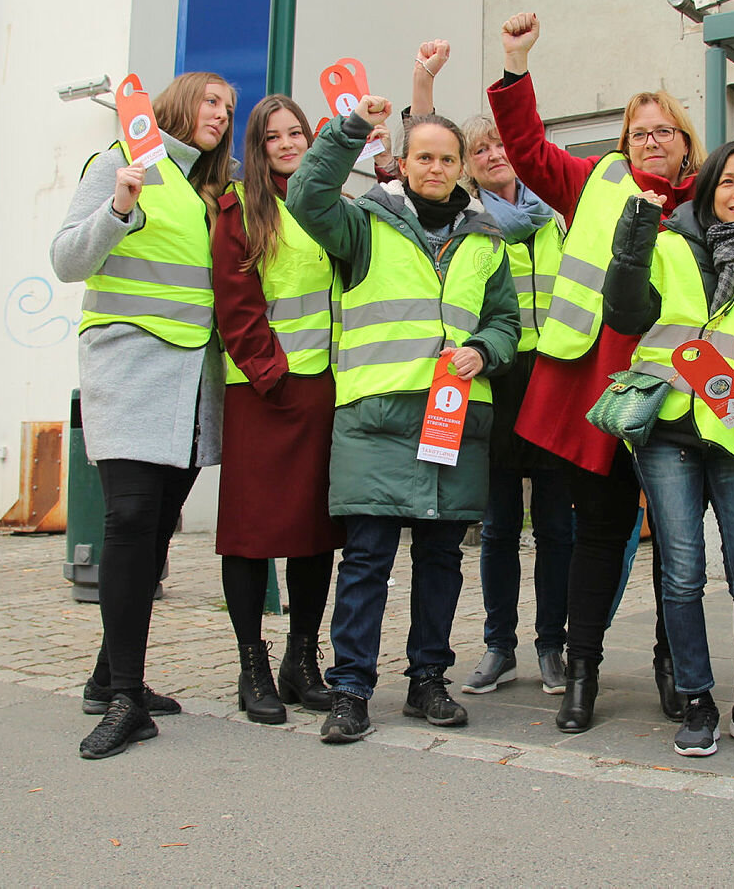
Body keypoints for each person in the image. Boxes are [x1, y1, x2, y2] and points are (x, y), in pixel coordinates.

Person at [488, 12, 699, 733]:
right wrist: (516, 67)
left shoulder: (709, 204)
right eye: (640, 131)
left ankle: (677, 668)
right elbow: (524, 150)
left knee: (678, 543)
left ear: (685, 143)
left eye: (663, 130)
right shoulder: (594, 182)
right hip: (596, 396)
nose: (650, 141)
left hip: (677, 402)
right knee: (600, 536)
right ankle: (583, 673)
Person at [286, 94, 520, 744]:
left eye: (449, 158)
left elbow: (506, 322)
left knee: (442, 559)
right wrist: (351, 128)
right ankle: (352, 690)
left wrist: (483, 350)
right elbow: (307, 195)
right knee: (367, 558)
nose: (437, 167)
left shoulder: (485, 237)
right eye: (425, 156)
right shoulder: (364, 223)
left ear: (462, 167)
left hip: (454, 420)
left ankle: (427, 682)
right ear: (405, 162)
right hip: (378, 417)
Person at [50, 71, 235, 759]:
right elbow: (68, 259)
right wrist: (119, 207)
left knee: (157, 526)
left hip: (192, 380)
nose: (219, 113)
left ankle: (108, 679)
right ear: (177, 105)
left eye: (228, 107)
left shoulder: (209, 191)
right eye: (210, 101)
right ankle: (127, 697)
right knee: (129, 519)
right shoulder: (116, 166)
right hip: (130, 368)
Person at [604, 141, 734, 757]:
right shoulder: (666, 244)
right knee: (682, 574)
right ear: (709, 190)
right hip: (668, 431)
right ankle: (695, 699)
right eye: (728, 183)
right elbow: (624, 315)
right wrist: (630, 249)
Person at [408, 38, 574, 697]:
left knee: (557, 525)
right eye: (480, 150)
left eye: (500, 143)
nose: (492, 154)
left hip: (558, 379)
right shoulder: (473, 222)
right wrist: (423, 81)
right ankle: (499, 646)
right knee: (501, 525)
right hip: (497, 381)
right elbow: (419, 141)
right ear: (469, 167)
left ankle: (553, 647)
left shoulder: (562, 209)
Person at [210, 94, 348, 724]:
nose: (289, 144)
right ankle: (252, 665)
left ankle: (301, 658)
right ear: (257, 148)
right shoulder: (239, 210)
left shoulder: (329, 204)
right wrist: (275, 379)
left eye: (298, 133)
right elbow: (236, 310)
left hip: (325, 392)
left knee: (314, 536)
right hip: (264, 396)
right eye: (274, 137)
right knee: (250, 538)